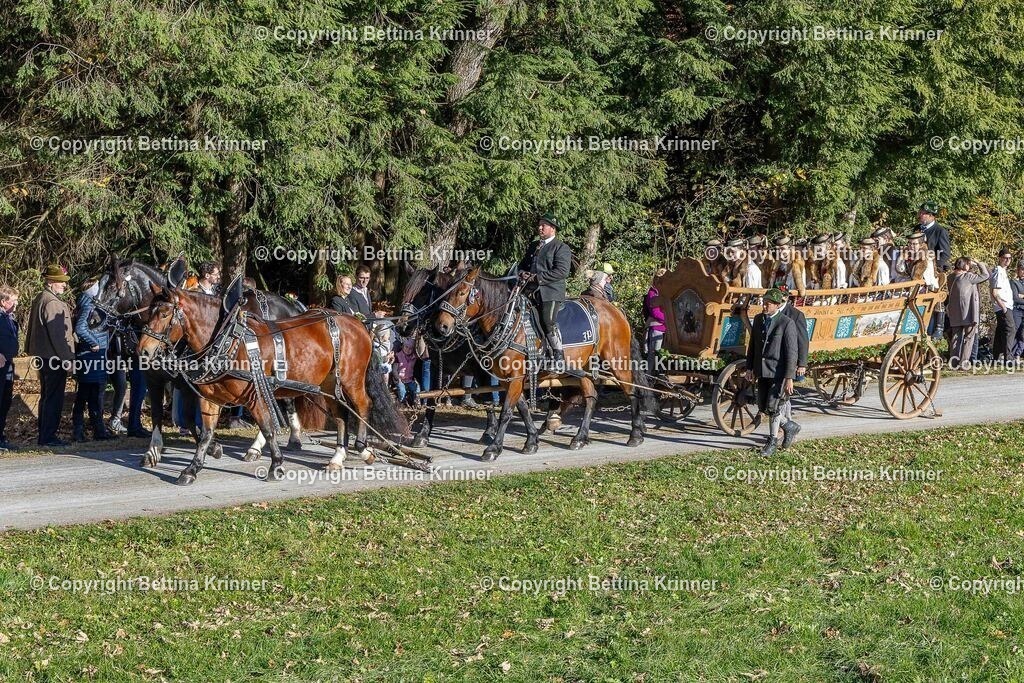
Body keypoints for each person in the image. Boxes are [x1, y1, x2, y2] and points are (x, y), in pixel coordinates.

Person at [746, 288, 800, 456]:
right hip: (762, 371)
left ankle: (772, 442)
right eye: (764, 302)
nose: (764, 306)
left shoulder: (786, 323)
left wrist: (789, 377)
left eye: (768, 304)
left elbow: (792, 353)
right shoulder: (758, 319)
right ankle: (790, 426)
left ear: (777, 305)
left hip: (779, 373)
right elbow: (753, 346)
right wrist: (749, 368)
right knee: (763, 406)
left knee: (773, 407)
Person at [25, 265, 75, 447]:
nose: (64, 286)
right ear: (52, 282)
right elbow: (58, 336)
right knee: (53, 398)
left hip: (44, 356)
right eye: (61, 283)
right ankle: (48, 437)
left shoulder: (41, 297)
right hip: (54, 358)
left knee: (47, 396)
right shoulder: (53, 302)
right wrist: (67, 359)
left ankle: (44, 435)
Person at [517, 213, 573, 367]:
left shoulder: (561, 247)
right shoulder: (533, 245)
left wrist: (537, 278)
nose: (540, 228)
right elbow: (522, 265)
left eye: (544, 225)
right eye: (539, 224)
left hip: (550, 292)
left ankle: (558, 353)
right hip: (528, 290)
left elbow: (561, 272)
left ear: (553, 229)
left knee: (547, 320)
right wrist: (522, 273)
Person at [71, 279, 114, 441]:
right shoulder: (89, 304)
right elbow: (80, 328)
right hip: (91, 355)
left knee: (92, 394)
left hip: (94, 356)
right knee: (85, 394)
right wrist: (94, 342)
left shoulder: (89, 303)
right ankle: (80, 430)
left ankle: (98, 430)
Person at [946, 256, 990, 369]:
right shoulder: (968, 276)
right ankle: (963, 363)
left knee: (956, 338)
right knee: (968, 338)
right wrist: (979, 263)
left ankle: (953, 363)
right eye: (969, 264)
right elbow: (986, 275)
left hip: (955, 313)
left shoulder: (950, 277)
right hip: (968, 313)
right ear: (965, 265)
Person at [0, 286, 19, 451]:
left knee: (5, 401)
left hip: (8, 365)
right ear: (3, 301)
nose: (16, 303)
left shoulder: (10, 318)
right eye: (13, 301)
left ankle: (1, 437)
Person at [990, 248, 1014, 361]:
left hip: (1005, 306)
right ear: (1000, 258)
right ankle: (1008, 358)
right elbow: (994, 292)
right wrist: (1003, 306)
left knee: (1000, 331)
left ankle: (996, 356)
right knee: (1010, 329)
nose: (1007, 260)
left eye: (1009, 258)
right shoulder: (998, 271)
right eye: (1005, 258)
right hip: (1002, 306)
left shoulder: (1003, 271)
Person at [643, 269, 667, 376]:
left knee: (661, 355)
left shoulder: (664, 292)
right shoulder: (652, 293)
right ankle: (648, 375)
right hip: (657, 328)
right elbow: (655, 313)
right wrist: (669, 320)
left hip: (666, 328)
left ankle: (658, 374)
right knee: (653, 354)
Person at [393, 338, 420, 405]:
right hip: (400, 379)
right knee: (402, 390)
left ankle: (415, 401)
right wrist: (398, 379)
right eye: (406, 347)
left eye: (410, 348)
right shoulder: (398, 356)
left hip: (410, 379)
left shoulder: (414, 357)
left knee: (416, 388)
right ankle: (402, 402)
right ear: (402, 346)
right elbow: (394, 370)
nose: (408, 350)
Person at [1011, 262, 1024, 360]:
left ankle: (1019, 351)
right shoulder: (1014, 282)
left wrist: (1022, 295)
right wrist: (1020, 296)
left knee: (1023, 333)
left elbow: (1020, 297)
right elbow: (1015, 298)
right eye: (1022, 269)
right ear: (1018, 270)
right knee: (1015, 332)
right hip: (1017, 310)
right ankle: (1014, 354)